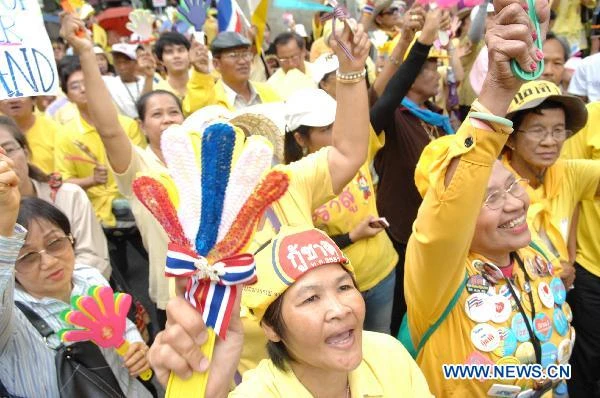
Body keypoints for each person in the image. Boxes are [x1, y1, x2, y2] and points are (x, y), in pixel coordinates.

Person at [404, 0, 577, 395]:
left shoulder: (532, 253)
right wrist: (498, 89)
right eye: (490, 198)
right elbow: (454, 200)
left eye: (512, 186)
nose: (515, 204)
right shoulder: (439, 275)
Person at [147, 227, 433, 397]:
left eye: (344, 287)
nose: (338, 309)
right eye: (310, 299)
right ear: (271, 328)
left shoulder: (388, 353)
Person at [0, 158, 151, 397]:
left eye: (55, 243)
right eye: (28, 257)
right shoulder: (12, 318)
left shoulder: (89, 277)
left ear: (71, 239)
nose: (48, 261)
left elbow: (120, 325)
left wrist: (137, 349)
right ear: (11, 264)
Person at [283, 88, 398, 334]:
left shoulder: (355, 151)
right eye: (325, 129)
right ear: (301, 139)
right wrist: (351, 237)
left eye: (337, 123)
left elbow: (390, 95)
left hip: (383, 272)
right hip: (338, 291)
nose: (336, 132)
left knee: (382, 343)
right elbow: (303, 249)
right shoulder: (294, 183)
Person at [502, 80, 599, 286]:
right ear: (510, 139)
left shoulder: (569, 174)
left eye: (558, 131)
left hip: (558, 303)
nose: (550, 141)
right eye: (537, 130)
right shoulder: (494, 188)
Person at [0, 116, 110, 278]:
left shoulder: (69, 196)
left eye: (8, 150)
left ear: (26, 152)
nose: (4, 163)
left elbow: (94, 259)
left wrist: (55, 290)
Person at [556, 101, 600, 397]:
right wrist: (569, 259)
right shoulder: (591, 117)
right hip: (591, 267)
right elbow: (568, 192)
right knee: (587, 359)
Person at [183, 31, 280, 114]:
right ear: (216, 64)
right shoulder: (210, 98)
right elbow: (193, 111)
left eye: (245, 54)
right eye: (233, 55)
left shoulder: (267, 92)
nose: (242, 61)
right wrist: (200, 73)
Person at [0, 97, 59, 175]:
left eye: (20, 95)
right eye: (7, 97)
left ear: (34, 100)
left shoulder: (56, 130)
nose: (13, 100)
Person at [102, 43, 153, 118]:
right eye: (118, 62)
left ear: (135, 63)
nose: (122, 67)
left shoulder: (147, 81)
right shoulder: (108, 82)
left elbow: (147, 105)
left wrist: (149, 77)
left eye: (126, 62)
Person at [267, 32, 317, 98]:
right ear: (277, 58)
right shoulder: (271, 86)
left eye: (294, 57)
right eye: (284, 59)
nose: (291, 64)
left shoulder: (319, 73)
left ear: (303, 52)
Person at [153, 32, 191, 99]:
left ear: (189, 54)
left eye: (181, 50)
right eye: (169, 52)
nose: (176, 56)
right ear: (161, 60)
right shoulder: (158, 93)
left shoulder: (200, 84)